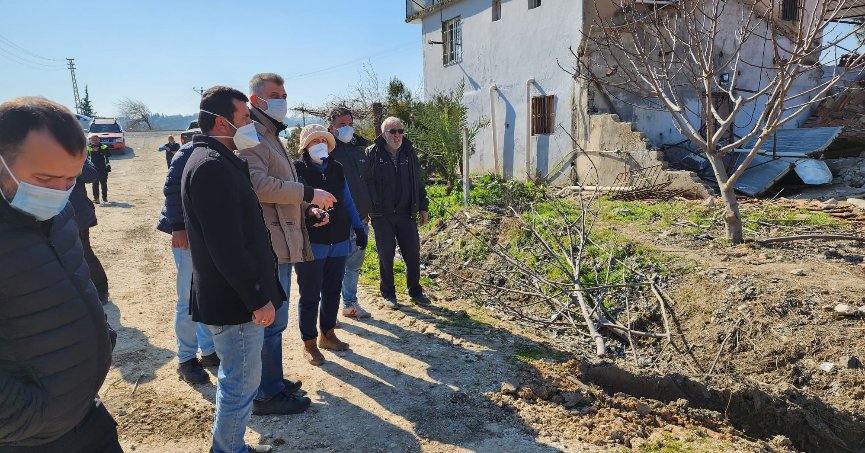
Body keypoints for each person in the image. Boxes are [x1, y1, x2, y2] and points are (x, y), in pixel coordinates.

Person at [0, 97, 120, 452]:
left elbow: (73, 283)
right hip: (30, 438)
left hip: (87, 414)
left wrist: (100, 338)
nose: (58, 193)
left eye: (71, 179)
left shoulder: (61, 212)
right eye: (45, 179)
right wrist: (32, 416)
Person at [182, 86, 283, 453]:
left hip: (232, 297)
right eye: (244, 118)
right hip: (235, 302)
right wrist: (257, 298)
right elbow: (226, 247)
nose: (250, 124)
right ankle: (227, 449)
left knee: (240, 379)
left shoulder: (218, 161)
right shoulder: (211, 167)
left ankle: (229, 446)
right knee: (240, 382)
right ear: (223, 123)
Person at [238, 73, 333, 415]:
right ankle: (265, 393)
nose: (283, 100)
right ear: (256, 100)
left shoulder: (270, 134)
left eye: (284, 94)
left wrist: (307, 209)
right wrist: (308, 192)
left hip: (283, 237)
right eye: (276, 94)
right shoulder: (251, 136)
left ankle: (273, 381)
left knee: (276, 322)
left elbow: (281, 186)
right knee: (270, 323)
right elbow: (259, 185)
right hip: (269, 242)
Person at [294, 124, 368, 365]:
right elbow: (295, 202)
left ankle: (327, 334)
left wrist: (358, 227)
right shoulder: (297, 170)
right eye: (315, 141)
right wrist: (310, 212)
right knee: (310, 294)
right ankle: (309, 343)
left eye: (323, 141)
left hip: (339, 239)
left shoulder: (337, 168)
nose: (320, 145)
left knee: (332, 290)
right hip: (311, 241)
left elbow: (347, 200)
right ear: (305, 146)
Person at [157, 140, 218, 385]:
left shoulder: (227, 150)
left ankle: (209, 350)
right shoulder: (190, 150)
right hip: (188, 235)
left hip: (211, 234)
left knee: (208, 295)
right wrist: (178, 227)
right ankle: (186, 359)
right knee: (188, 298)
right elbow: (172, 188)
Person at [365, 117, 431, 309]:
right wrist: (368, 208)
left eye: (400, 131)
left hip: (406, 213)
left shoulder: (409, 152)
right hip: (382, 215)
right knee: (385, 256)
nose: (397, 135)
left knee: (413, 254)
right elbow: (366, 183)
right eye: (392, 131)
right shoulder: (372, 153)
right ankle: (388, 293)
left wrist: (423, 207)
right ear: (383, 134)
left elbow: (418, 181)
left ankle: (415, 291)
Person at [327, 107, 373, 319]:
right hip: (337, 221)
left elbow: (369, 181)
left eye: (350, 124)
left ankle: (350, 304)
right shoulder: (325, 151)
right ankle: (328, 310)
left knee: (353, 266)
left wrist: (368, 210)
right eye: (342, 125)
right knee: (333, 267)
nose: (347, 128)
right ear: (331, 127)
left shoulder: (359, 149)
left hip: (360, 219)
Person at [70, 157, 110, 305]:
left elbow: (91, 175)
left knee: (84, 252)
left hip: (77, 214)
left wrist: (72, 158)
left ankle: (101, 289)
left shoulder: (75, 154)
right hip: (50, 214)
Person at [87, 134, 110, 205]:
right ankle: (96, 199)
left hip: (103, 168)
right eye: (93, 140)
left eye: (96, 139)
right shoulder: (88, 148)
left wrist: (99, 150)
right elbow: (86, 157)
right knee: (95, 184)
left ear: (99, 140)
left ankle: (104, 198)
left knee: (103, 183)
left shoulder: (104, 147)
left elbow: (108, 154)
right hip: (93, 168)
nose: (95, 141)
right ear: (91, 140)